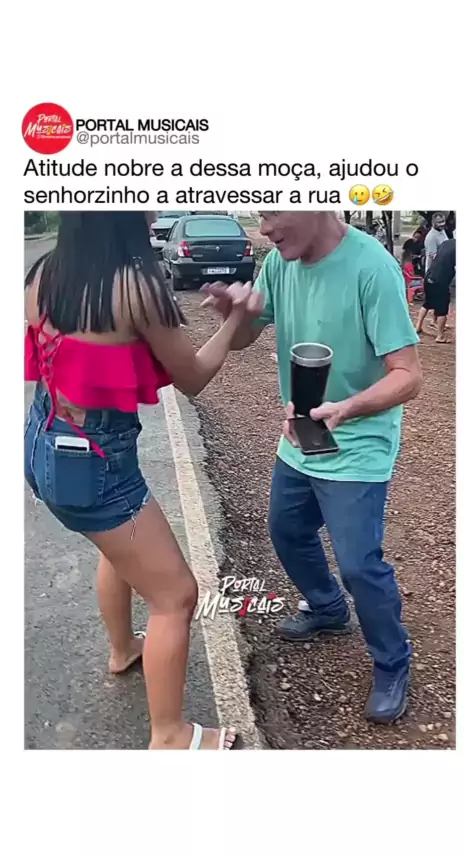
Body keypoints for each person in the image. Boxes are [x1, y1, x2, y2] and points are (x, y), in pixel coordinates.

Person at [24, 211, 264, 750]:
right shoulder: (135, 286)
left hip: (43, 444)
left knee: (117, 549)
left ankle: (123, 648)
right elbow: (193, 377)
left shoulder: (45, 272)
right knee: (176, 595)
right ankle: (170, 735)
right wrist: (234, 319)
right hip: (96, 466)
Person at [203, 212, 422, 724]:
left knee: (358, 565)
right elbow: (246, 337)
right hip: (302, 433)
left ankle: (393, 662)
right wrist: (231, 316)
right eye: (261, 216)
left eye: (273, 213)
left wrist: (346, 408)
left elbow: (409, 376)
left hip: (358, 440)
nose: (265, 229)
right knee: (287, 531)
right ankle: (327, 608)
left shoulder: (373, 268)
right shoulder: (281, 263)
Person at [415, 238, 456, 343]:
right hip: (440, 280)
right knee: (442, 309)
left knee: (427, 303)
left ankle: (418, 326)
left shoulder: (446, 243)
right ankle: (440, 336)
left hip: (429, 276)